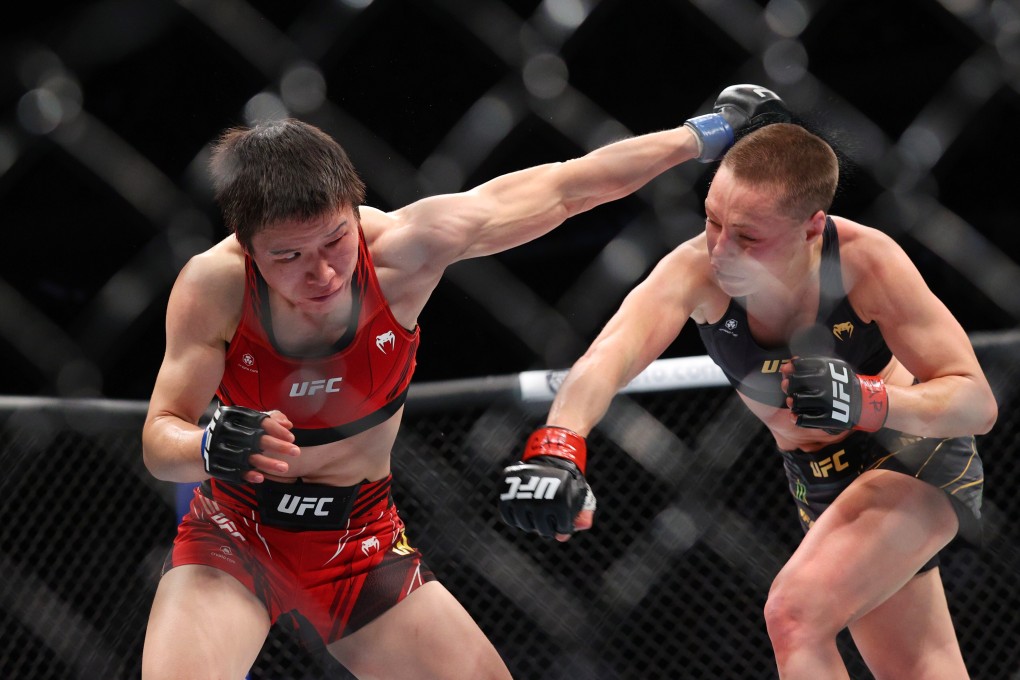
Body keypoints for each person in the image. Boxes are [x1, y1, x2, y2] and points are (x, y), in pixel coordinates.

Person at [138, 89, 779, 680]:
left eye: (335, 241)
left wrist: (709, 132)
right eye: (289, 256)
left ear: (352, 214)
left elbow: (566, 187)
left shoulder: (405, 249)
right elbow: (159, 436)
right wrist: (205, 445)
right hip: (236, 531)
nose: (323, 272)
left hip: (357, 538)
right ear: (248, 249)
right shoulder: (211, 287)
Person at [498, 91, 996, 678]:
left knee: (794, 618)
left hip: (912, 457)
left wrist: (868, 399)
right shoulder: (695, 271)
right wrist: (560, 443)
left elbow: (975, 402)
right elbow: (607, 358)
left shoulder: (865, 262)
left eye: (748, 237)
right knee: (921, 668)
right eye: (711, 220)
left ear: (812, 228)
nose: (721, 249)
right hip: (815, 483)